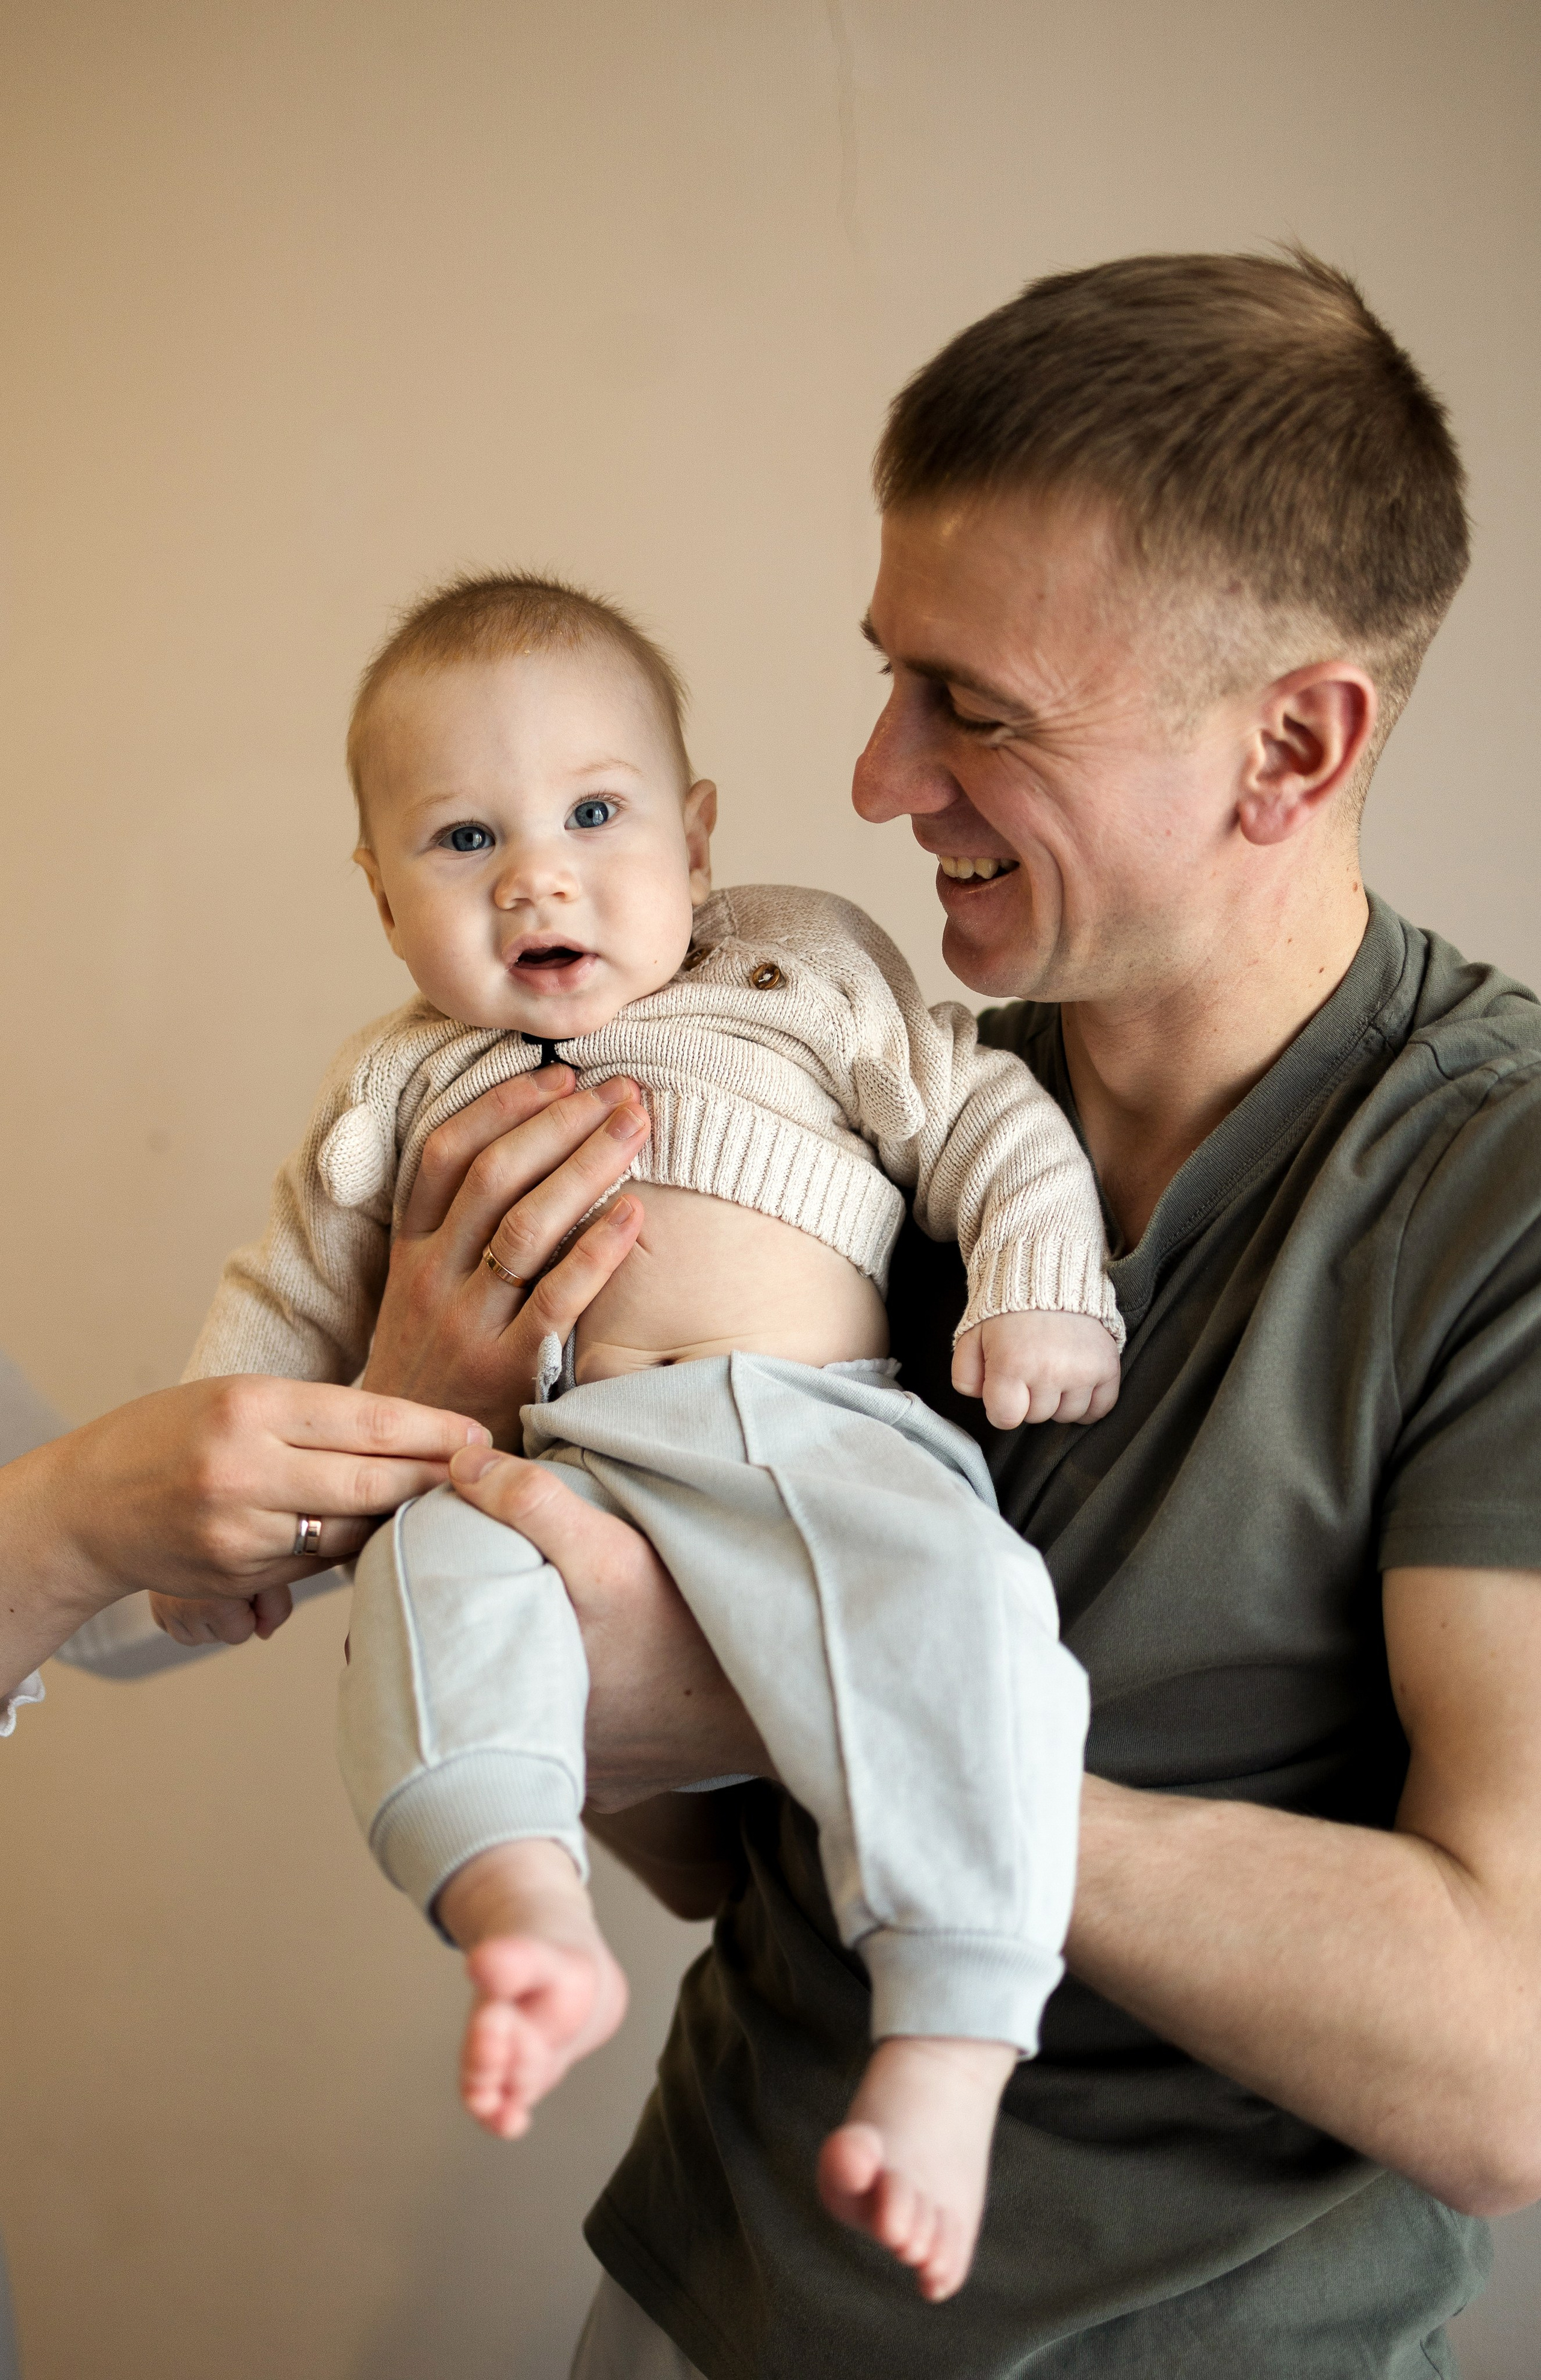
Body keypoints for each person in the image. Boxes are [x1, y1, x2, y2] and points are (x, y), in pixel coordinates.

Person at [322, 249, 1540, 2377]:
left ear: (1293, 742)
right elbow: (719, 1861)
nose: (881, 780)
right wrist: (458, 1442)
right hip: (698, 2290)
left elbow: (1504, 2065)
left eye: (976, 705)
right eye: (894, 675)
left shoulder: (1493, 1199)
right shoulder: (843, 1096)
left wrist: (860, 1697)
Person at [169, 569, 1125, 2299]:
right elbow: (285, 1309)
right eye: (464, 839)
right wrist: (211, 1532)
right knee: (430, 1583)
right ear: (380, 896)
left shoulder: (805, 962)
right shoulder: (396, 1084)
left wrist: (1041, 1284)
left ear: (697, 835)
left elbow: (980, 1112)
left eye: (595, 814)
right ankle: (518, 1903)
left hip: (824, 1444)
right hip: (565, 1471)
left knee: (969, 1612)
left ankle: (952, 2033)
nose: (536, 876)